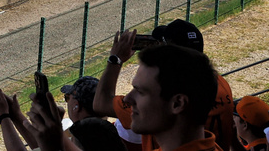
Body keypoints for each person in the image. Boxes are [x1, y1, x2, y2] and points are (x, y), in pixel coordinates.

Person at [94, 21, 236, 151]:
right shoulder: (219, 85)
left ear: (177, 103)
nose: (128, 99)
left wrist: (115, 59)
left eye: (141, 91)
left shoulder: (161, 102)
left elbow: (101, 103)